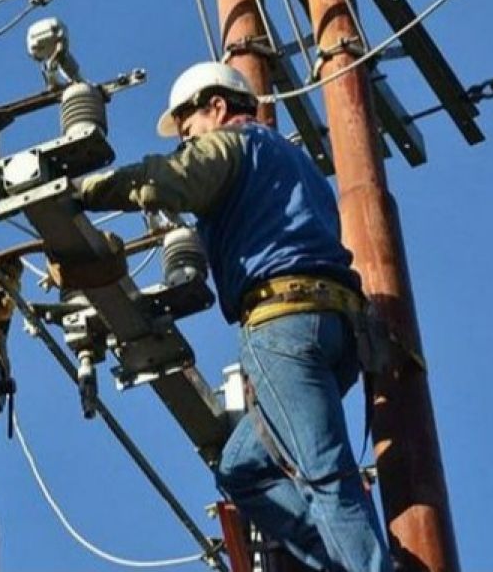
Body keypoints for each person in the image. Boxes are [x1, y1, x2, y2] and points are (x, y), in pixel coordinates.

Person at [78, 62, 391, 571]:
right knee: (243, 468)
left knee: (325, 473)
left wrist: (85, 193)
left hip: (283, 326)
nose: (187, 142)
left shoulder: (233, 145)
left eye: (189, 131)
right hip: (338, 331)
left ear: (217, 107)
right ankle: (345, 561)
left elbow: (169, 181)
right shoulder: (293, 160)